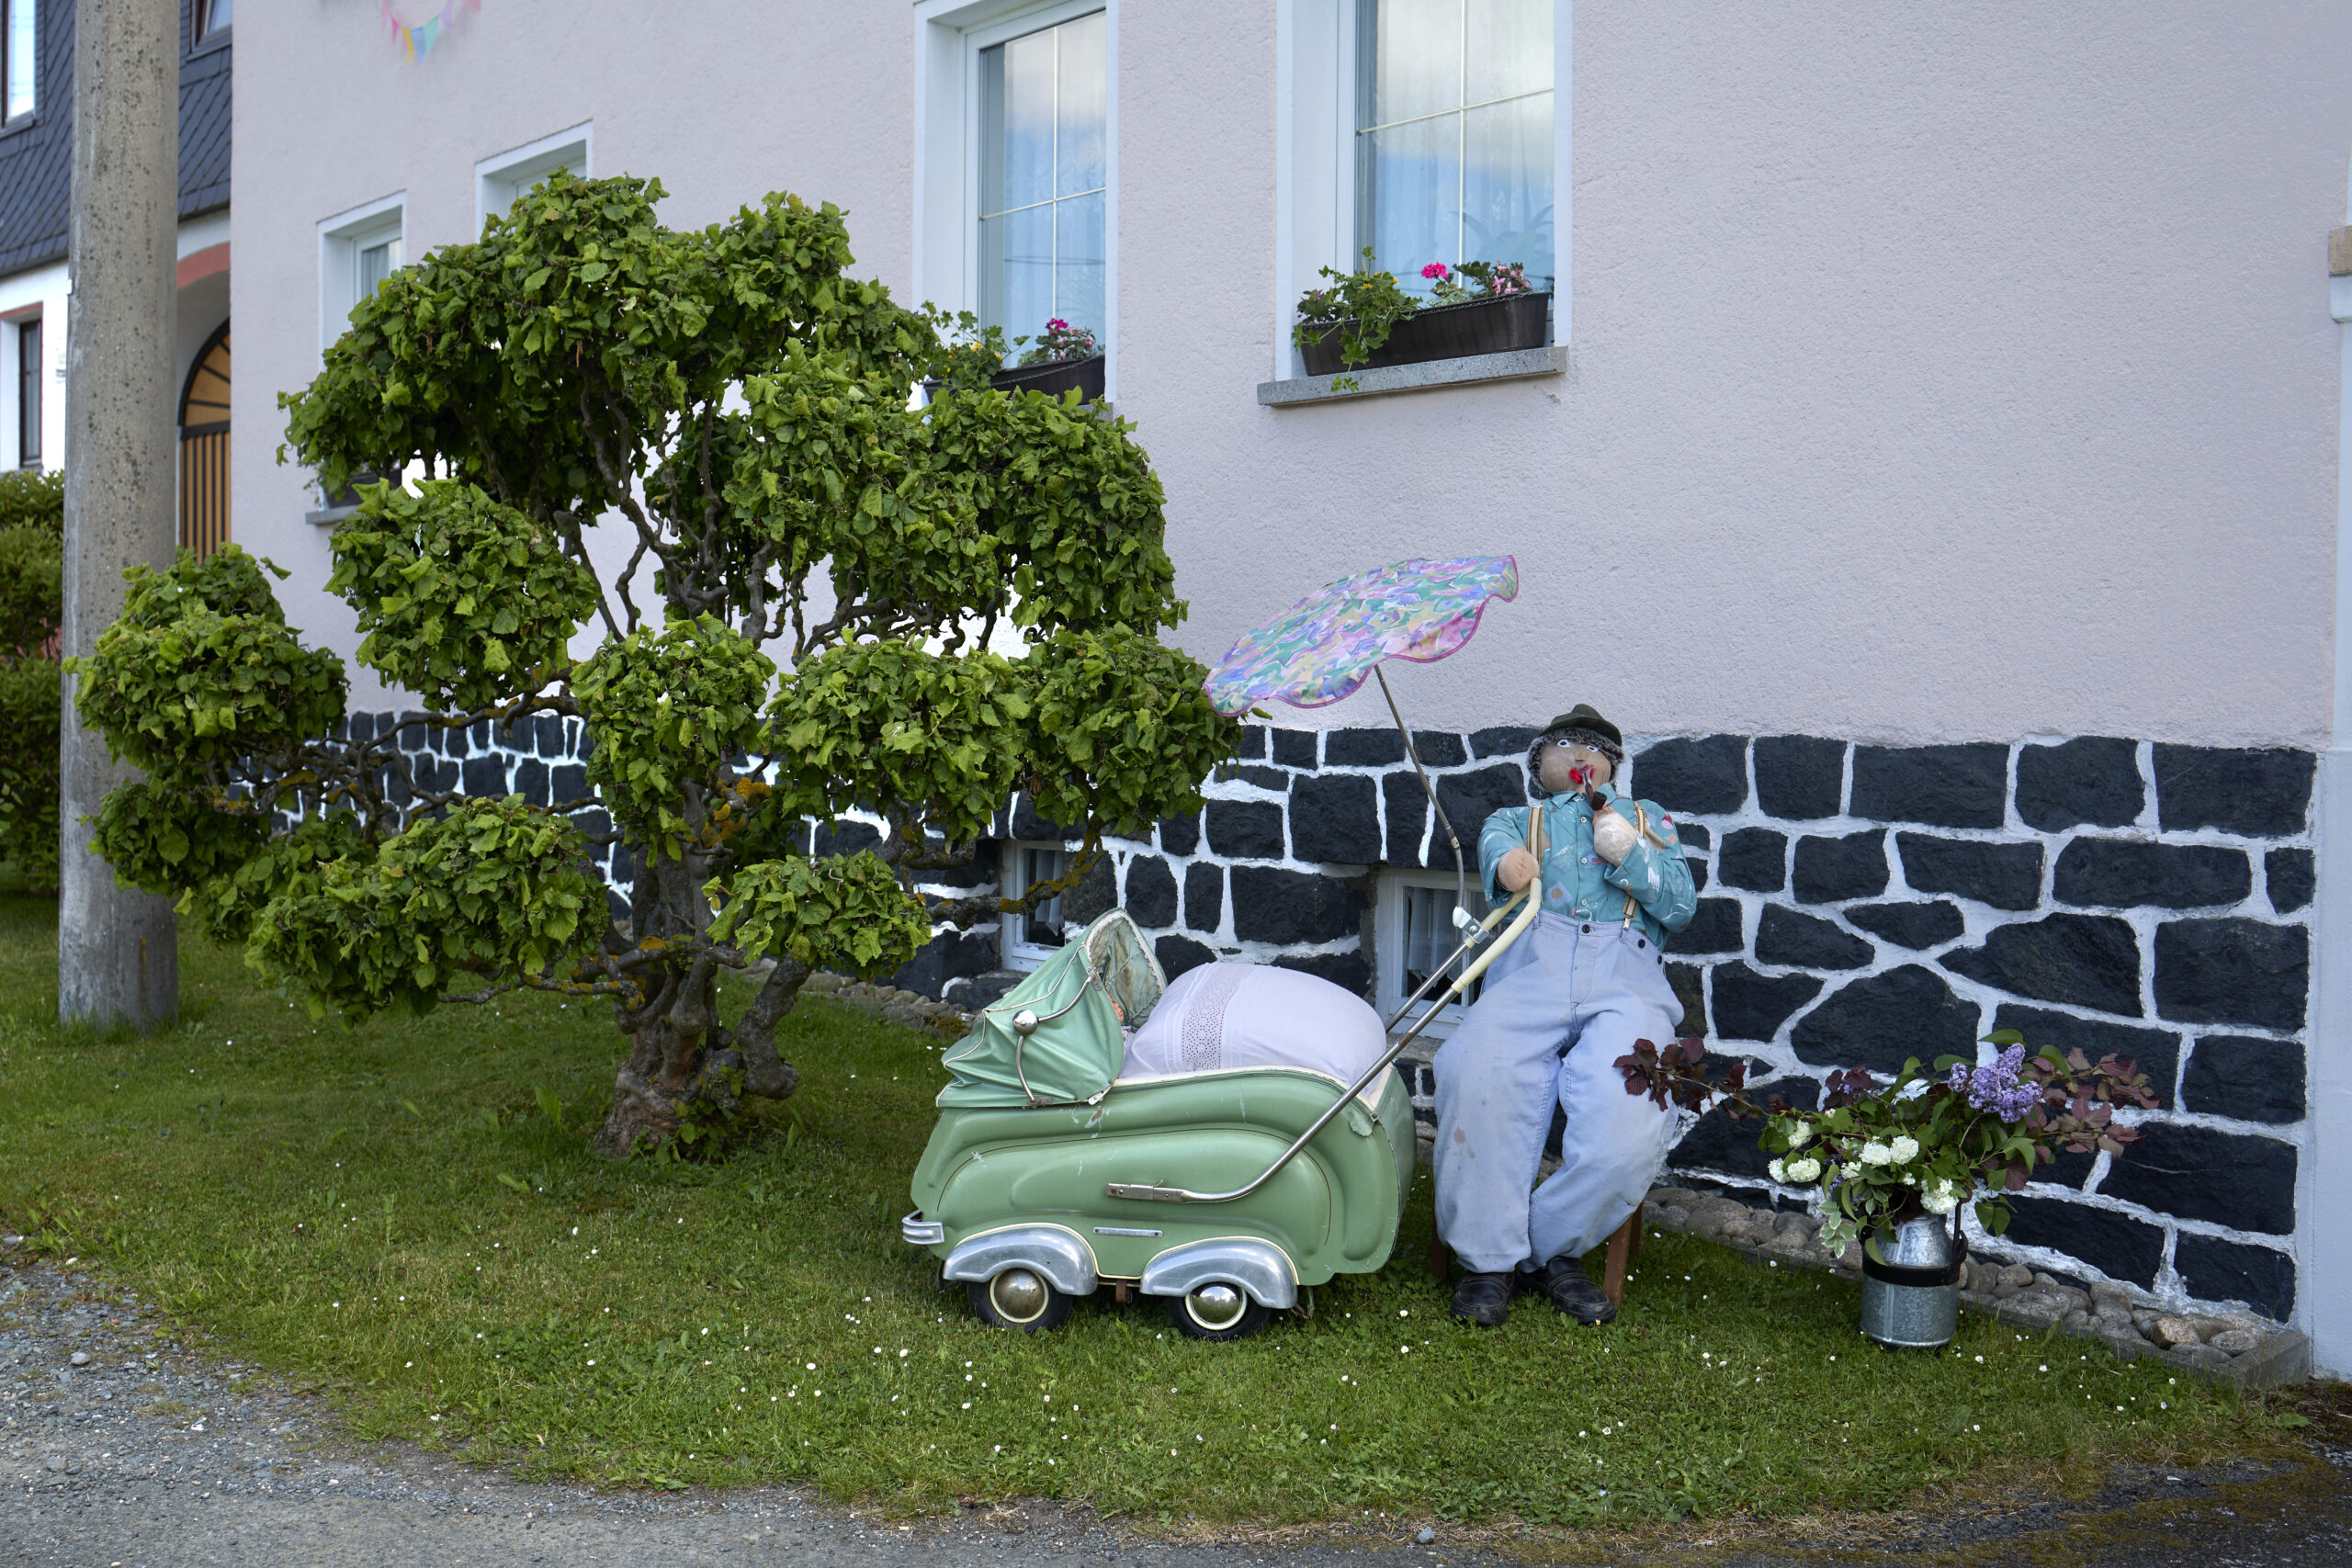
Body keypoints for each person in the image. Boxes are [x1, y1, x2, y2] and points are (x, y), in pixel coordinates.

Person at [1431, 705, 1697, 1327]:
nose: (1580, 755)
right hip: (1535, 962)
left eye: (1593, 747)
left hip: (1626, 972)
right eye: (1565, 745)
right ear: (1540, 763)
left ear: (1612, 765)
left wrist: (1628, 853)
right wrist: (1509, 864)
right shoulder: (1519, 818)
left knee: (1631, 1104)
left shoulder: (1648, 818)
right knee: (1477, 1070)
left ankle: (1550, 1247)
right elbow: (1496, 850)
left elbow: (1680, 905)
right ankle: (1486, 1258)